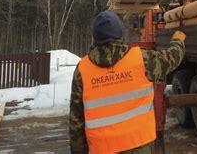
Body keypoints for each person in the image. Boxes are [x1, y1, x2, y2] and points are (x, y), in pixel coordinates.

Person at [69, 10, 186, 154]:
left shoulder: (83, 70)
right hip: (140, 146)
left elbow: (76, 121)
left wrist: (78, 151)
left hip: (103, 149)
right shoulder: (140, 60)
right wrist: (178, 41)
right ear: (119, 34)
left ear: (95, 36)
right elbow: (172, 57)